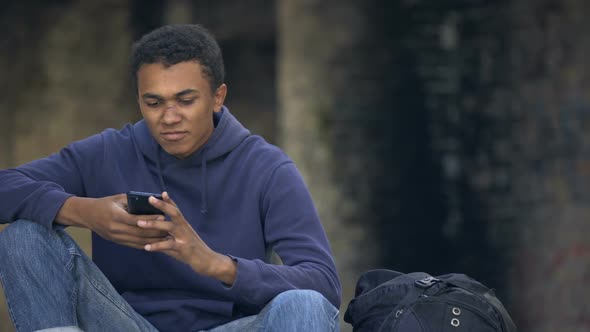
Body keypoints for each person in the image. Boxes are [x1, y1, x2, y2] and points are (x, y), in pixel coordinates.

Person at [0, 24, 341, 332]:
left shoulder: (267, 168)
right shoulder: (109, 152)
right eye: (154, 103)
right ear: (139, 101)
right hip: (121, 323)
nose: (169, 117)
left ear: (217, 97)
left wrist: (217, 265)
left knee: (305, 304)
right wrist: (82, 212)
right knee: (25, 235)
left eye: (185, 100)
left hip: (233, 327)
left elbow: (323, 283)